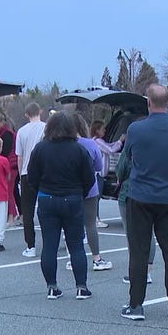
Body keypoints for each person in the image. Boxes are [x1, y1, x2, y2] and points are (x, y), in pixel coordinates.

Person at [120, 84, 168, 321]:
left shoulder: (136, 129)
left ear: (148, 103)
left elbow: (129, 157)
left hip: (140, 196)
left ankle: (136, 305)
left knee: (138, 251)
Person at [26, 112, 96, 300]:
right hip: (72, 198)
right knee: (75, 245)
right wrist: (80, 193)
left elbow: (31, 177)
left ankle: (52, 286)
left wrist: (41, 189)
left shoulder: (40, 149)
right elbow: (89, 177)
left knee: (49, 244)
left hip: (47, 198)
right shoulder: (79, 149)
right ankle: (81, 286)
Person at [70, 113, 113, 272]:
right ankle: (96, 258)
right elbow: (98, 167)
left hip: (70, 189)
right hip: (89, 189)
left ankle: (72, 258)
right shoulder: (90, 144)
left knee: (72, 225)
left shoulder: (64, 144)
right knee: (90, 224)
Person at [115, 141, 156, 286]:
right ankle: (148, 271)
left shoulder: (130, 149)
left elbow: (120, 170)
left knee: (131, 235)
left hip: (129, 192)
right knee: (149, 233)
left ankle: (136, 270)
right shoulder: (156, 147)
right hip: (153, 192)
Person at [16, 103, 45, 258]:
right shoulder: (46, 128)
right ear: (40, 111)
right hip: (44, 173)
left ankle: (31, 245)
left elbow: (19, 156)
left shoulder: (21, 131)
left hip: (27, 173)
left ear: (26, 114)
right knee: (46, 208)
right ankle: (48, 241)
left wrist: (21, 175)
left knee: (27, 211)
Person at [91, 119, 124, 228]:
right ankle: (95, 219)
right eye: (102, 129)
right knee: (97, 197)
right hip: (98, 174)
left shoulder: (98, 141)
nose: (105, 130)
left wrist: (118, 141)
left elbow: (109, 145)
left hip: (100, 174)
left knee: (97, 196)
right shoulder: (97, 141)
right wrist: (120, 141)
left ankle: (95, 218)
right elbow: (110, 149)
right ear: (97, 130)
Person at [0, 109, 20, 226]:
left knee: (8, 192)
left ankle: (11, 217)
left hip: (9, 165)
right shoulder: (5, 133)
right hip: (10, 164)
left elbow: (5, 151)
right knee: (11, 191)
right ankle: (15, 215)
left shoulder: (6, 134)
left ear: (1, 121)